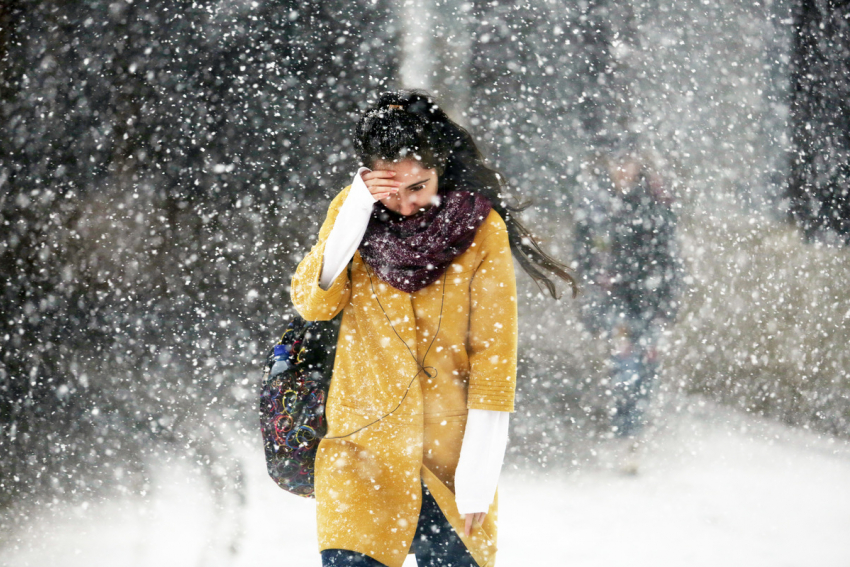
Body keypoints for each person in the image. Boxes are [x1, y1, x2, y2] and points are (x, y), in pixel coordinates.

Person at [290, 90, 576, 567]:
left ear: (440, 167)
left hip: (448, 457)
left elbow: (493, 356)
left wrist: (478, 479)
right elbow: (314, 302)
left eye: (419, 186)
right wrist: (357, 208)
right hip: (361, 450)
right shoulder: (353, 211)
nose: (405, 205)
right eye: (390, 191)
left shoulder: (481, 229)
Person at [574, 145, 681, 445]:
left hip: (650, 299)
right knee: (626, 366)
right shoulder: (597, 203)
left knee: (646, 367)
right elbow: (583, 252)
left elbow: (670, 257)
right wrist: (592, 295)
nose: (622, 168)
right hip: (615, 299)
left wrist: (668, 301)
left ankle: (632, 427)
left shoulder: (655, 203)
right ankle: (627, 432)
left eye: (628, 161)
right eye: (616, 161)